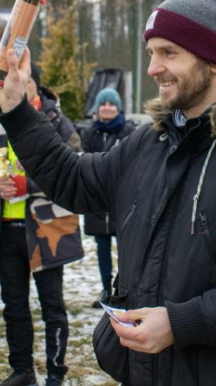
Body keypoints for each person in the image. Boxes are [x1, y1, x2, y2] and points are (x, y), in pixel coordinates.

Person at [0, 0, 216, 385]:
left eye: (169, 53)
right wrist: (16, 111)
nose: (153, 68)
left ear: (215, 61)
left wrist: (179, 323)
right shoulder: (149, 143)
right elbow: (73, 179)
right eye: (152, 52)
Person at [0, 62, 84, 386]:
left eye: (24, 80)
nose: (17, 86)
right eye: (8, 82)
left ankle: (55, 374)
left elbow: (75, 165)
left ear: (34, 85)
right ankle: (22, 371)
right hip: (5, 231)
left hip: (47, 230)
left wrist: (27, 186)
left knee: (52, 307)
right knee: (14, 306)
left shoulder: (57, 122)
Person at [80, 87, 135, 308]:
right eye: (103, 104)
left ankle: (123, 289)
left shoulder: (129, 132)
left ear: (118, 107)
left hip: (123, 201)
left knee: (126, 248)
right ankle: (105, 288)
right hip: (97, 202)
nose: (107, 108)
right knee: (102, 248)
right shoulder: (89, 134)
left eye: (111, 104)